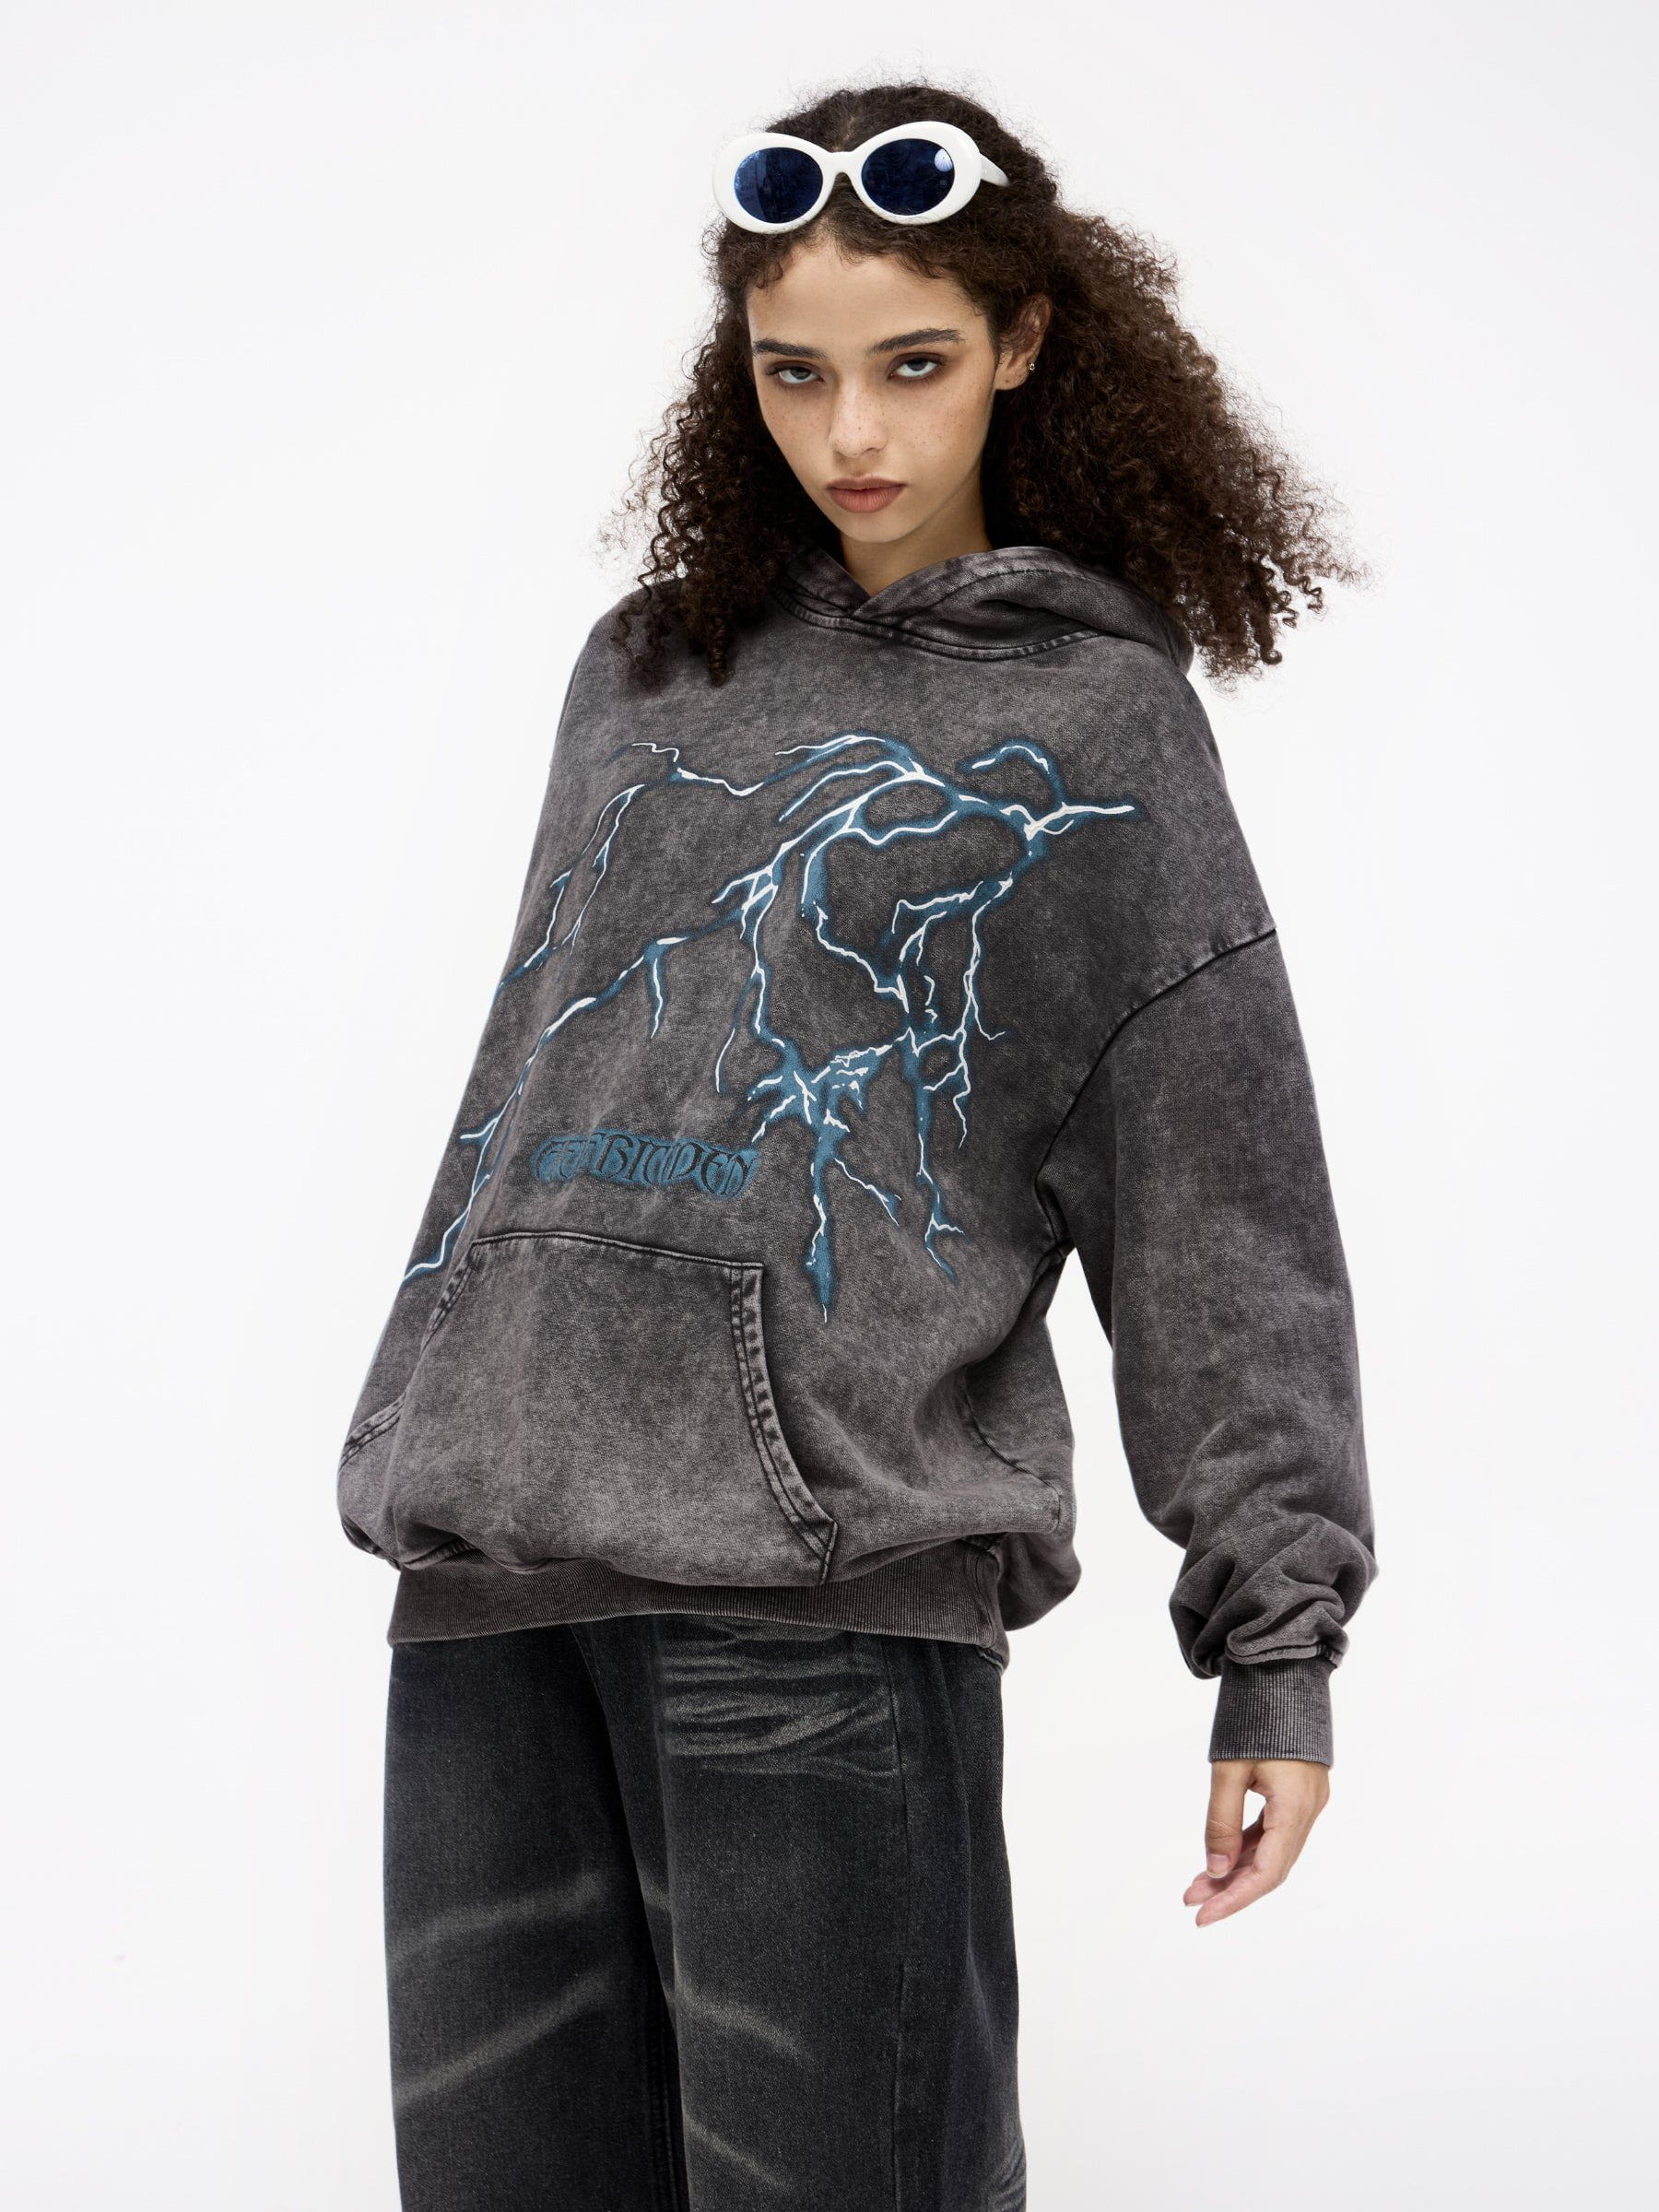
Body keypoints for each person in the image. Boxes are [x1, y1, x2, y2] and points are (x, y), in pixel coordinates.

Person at [338, 80, 1379, 2212]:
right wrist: (434, 1419)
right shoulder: (645, 673)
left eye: (911, 364)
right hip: (490, 1599)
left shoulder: (1099, 735)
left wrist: (1274, 1644)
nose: (853, 433)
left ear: (1022, 342)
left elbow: (1218, 1194)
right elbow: (533, 1082)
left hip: (815, 1614)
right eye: (793, 372)